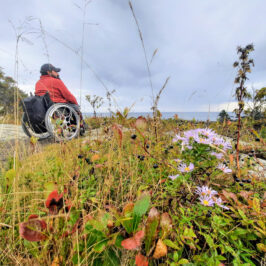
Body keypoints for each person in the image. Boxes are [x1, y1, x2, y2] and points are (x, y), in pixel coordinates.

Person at [35, 63, 86, 132]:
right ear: (49, 72)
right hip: (56, 106)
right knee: (75, 106)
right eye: (55, 71)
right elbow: (68, 96)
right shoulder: (56, 81)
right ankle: (80, 127)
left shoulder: (38, 83)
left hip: (43, 107)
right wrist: (76, 103)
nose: (57, 73)